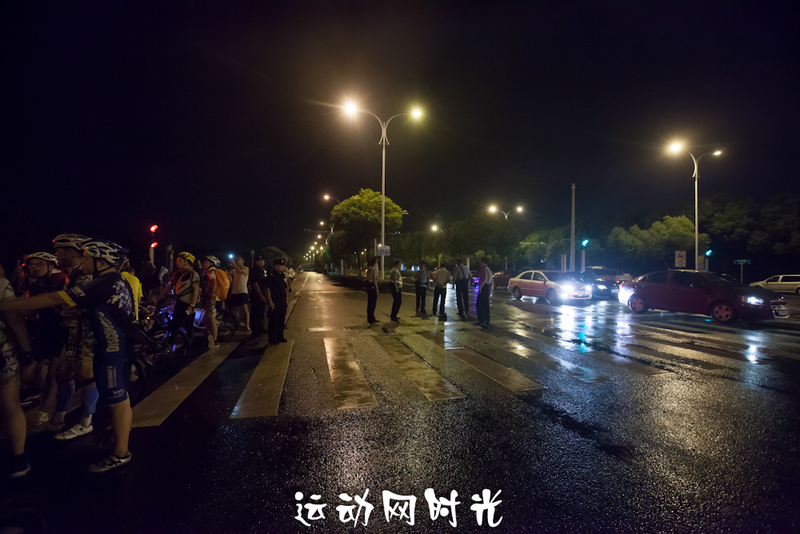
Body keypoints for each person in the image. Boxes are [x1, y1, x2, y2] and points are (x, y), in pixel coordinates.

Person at [0, 239, 136, 473]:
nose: (82, 261)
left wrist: (5, 305)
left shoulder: (107, 281)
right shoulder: (109, 280)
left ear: (101, 260)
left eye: (87, 257)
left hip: (114, 349)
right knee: (113, 397)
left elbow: (56, 299)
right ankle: (116, 441)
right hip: (109, 347)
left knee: (117, 399)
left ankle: (120, 453)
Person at [50, 233, 97, 441]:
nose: (56, 254)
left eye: (59, 250)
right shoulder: (74, 273)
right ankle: (58, 419)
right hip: (71, 331)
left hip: (84, 332)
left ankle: (86, 422)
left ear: (70, 251)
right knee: (63, 373)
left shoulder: (85, 275)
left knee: (86, 375)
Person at [21, 252, 67, 432]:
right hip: (43, 330)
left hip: (60, 330)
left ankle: (45, 410)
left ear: (51, 265)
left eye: (39, 264)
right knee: (28, 371)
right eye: (31, 265)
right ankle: (42, 395)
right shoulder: (35, 284)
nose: (34, 268)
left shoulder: (60, 280)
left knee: (54, 373)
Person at [0, 263, 33, 478]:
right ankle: (18, 459)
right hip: (3, 350)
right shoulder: (1, 284)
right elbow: (13, 318)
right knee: (10, 402)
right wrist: (26, 350)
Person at [154, 252, 199, 343]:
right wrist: (158, 298)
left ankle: (188, 346)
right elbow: (168, 287)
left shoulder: (193, 274)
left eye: (179, 261)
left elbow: (195, 291)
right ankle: (169, 344)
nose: (177, 263)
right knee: (174, 325)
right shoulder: (177, 274)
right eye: (177, 261)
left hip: (188, 305)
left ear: (187, 262)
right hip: (179, 303)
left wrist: (192, 304)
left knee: (189, 326)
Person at [266, 259, 288, 345]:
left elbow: (285, 288)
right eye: (281, 265)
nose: (282, 267)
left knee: (281, 319)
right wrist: (270, 301)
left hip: (282, 300)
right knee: (274, 320)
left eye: (283, 265)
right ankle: (272, 338)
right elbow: (268, 288)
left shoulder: (282, 275)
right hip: (275, 300)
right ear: (276, 266)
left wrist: (286, 300)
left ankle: (280, 336)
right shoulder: (271, 275)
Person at [200, 255, 220, 349]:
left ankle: (214, 341)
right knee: (206, 317)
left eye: (206, 263)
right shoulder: (209, 271)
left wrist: (212, 295)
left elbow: (214, 282)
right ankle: (209, 335)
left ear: (212, 263)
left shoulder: (211, 272)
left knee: (211, 318)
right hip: (209, 297)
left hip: (210, 297)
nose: (204, 264)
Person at [229, 256, 250, 333]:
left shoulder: (246, 269)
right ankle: (238, 322)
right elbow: (233, 281)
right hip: (235, 291)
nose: (237, 261)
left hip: (242, 291)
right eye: (236, 260)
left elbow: (240, 271)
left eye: (239, 259)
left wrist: (233, 263)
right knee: (233, 310)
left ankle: (247, 325)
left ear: (243, 261)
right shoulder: (234, 270)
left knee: (245, 309)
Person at [249, 256, 268, 339]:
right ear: (256, 262)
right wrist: (261, 295)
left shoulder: (262, 271)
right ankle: (255, 331)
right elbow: (255, 284)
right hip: (256, 295)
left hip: (263, 294)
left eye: (262, 260)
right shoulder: (254, 271)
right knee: (255, 313)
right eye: (259, 261)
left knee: (261, 312)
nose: (261, 262)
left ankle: (261, 328)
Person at [476, 258, 493, 326]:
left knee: (479, 304)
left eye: (480, 262)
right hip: (487, 288)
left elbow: (485, 279)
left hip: (484, 288)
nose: (480, 264)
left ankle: (481, 320)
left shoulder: (484, 269)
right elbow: (491, 280)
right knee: (486, 304)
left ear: (483, 262)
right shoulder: (489, 270)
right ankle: (487, 319)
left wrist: (480, 287)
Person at [365, 257, 379, 324]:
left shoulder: (368, 269)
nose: (377, 264)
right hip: (373, 287)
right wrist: (377, 289)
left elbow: (367, 278)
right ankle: (372, 318)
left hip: (369, 287)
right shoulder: (373, 270)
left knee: (369, 303)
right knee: (373, 303)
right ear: (375, 263)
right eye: (376, 263)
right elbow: (374, 280)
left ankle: (369, 318)